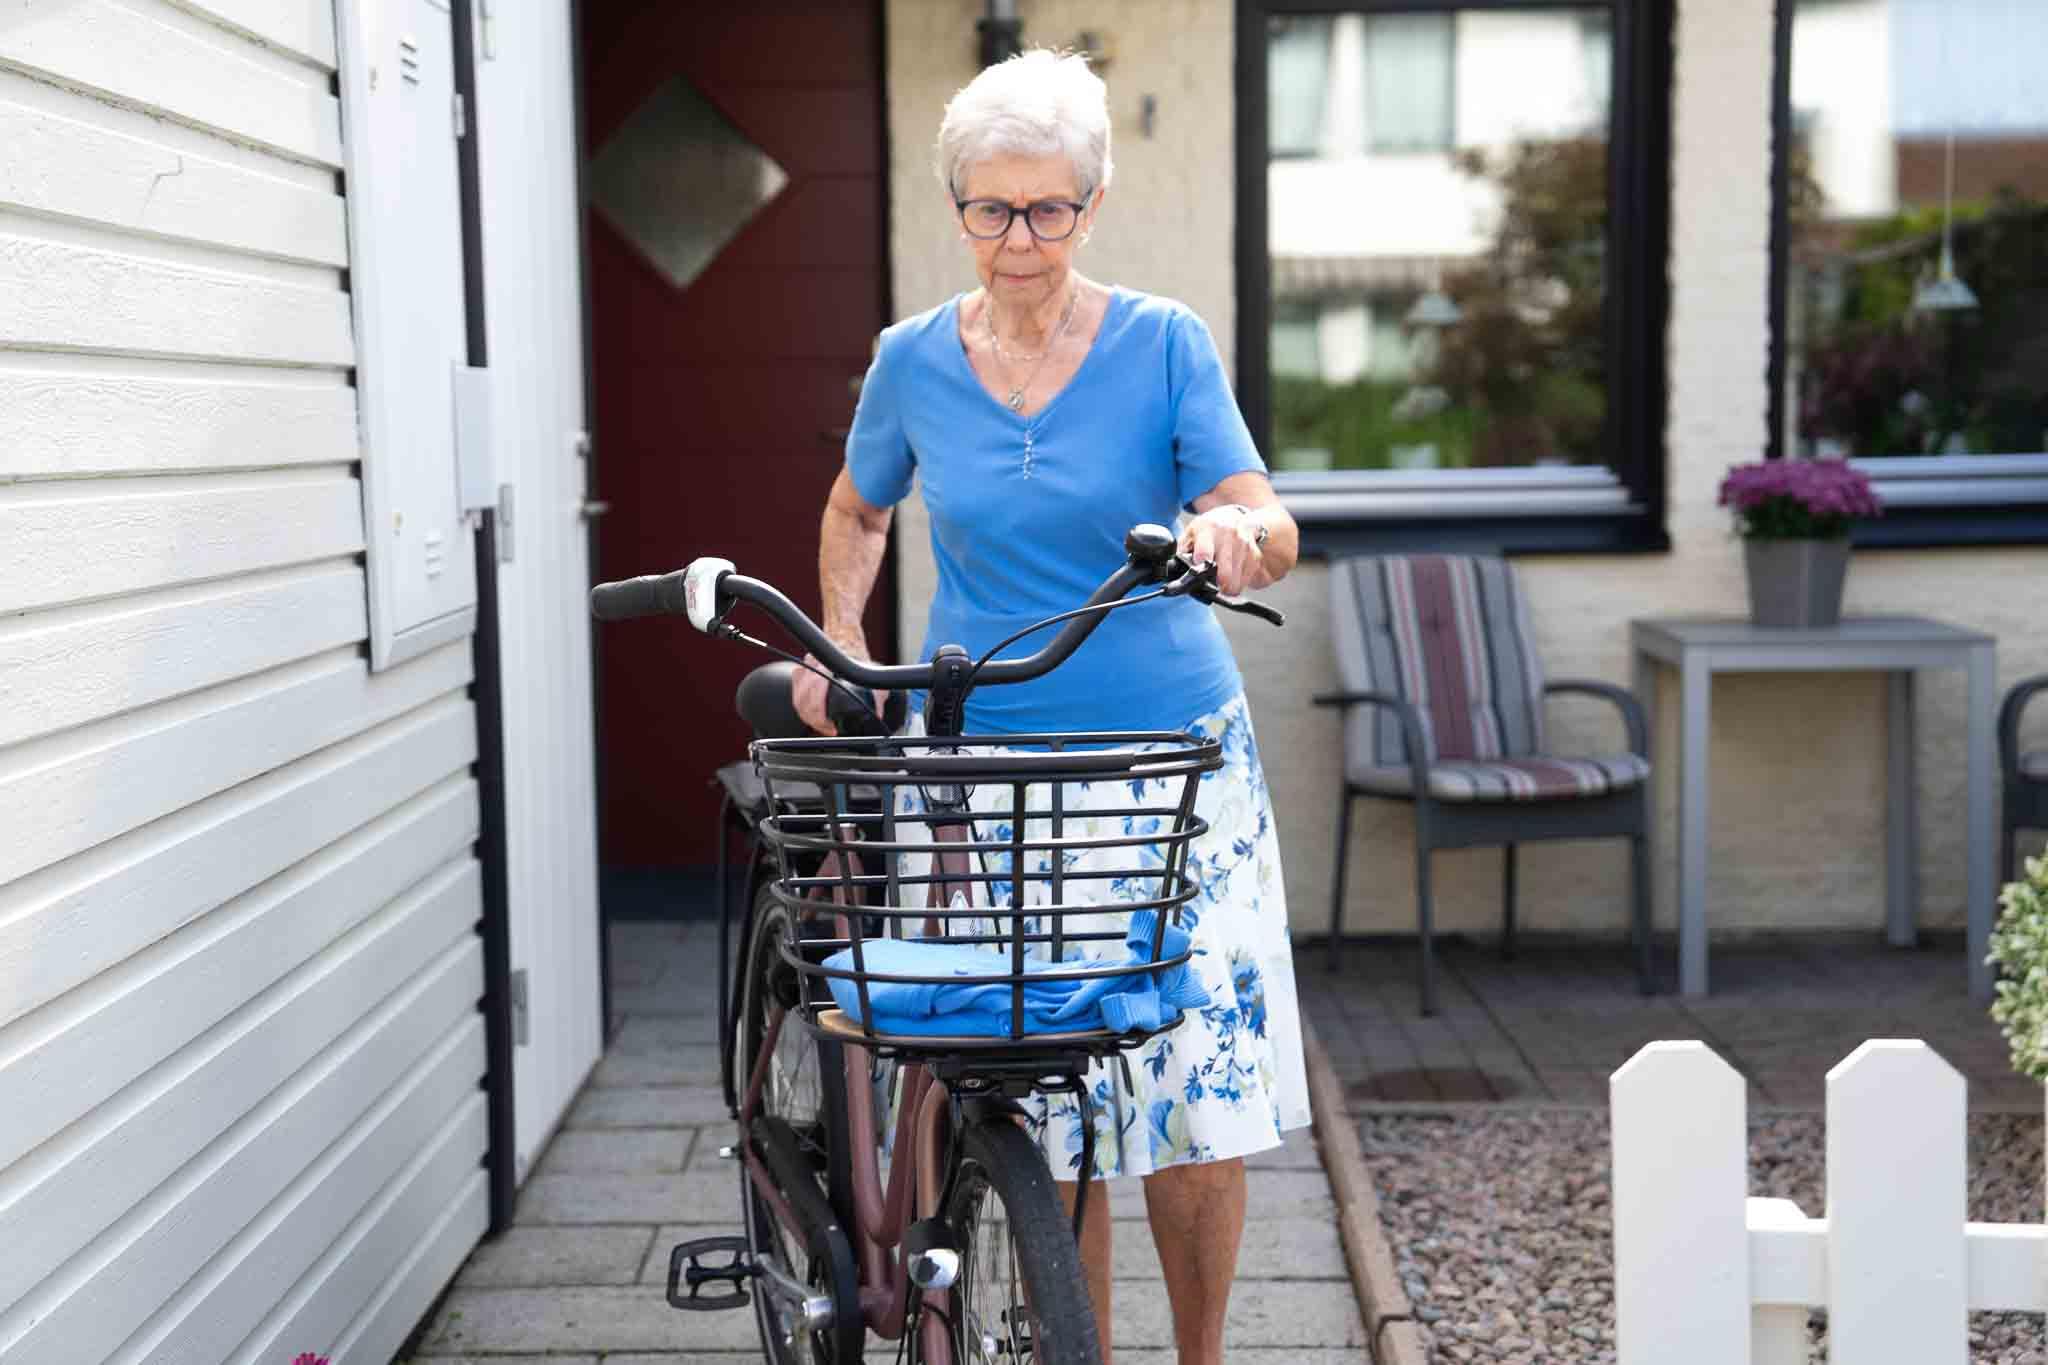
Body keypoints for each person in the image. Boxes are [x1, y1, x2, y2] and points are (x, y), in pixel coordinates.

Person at [791, 48, 1308, 1365]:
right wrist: (841, 635)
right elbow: (858, 510)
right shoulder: (912, 363)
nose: (1020, 240)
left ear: (1092, 202)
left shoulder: (1164, 343)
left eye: (1050, 208)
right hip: (991, 773)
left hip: (1171, 763)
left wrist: (1239, 538)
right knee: (1043, 1115)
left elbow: (1260, 507)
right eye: (992, 208)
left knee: (1189, 1107)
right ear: (954, 202)